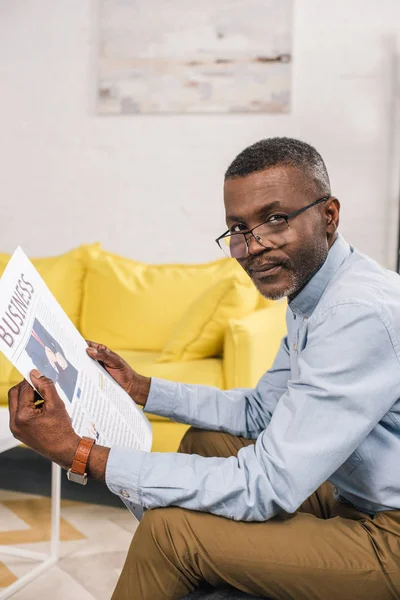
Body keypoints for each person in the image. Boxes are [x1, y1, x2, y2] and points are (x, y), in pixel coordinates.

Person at [8, 138, 400, 600]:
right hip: (351, 493)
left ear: (328, 215)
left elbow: (266, 485)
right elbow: (260, 411)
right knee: (204, 443)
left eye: (275, 219)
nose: (251, 246)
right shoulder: (316, 289)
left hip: (388, 534)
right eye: (238, 227)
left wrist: (82, 454)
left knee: (169, 533)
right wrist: (142, 388)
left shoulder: (357, 312)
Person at [25, 318, 78, 402]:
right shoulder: (26, 344)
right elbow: (41, 368)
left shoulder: (35, 322)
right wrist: (51, 363)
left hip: (64, 363)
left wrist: (59, 353)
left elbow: (52, 339)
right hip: (58, 374)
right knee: (73, 397)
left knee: (81, 384)